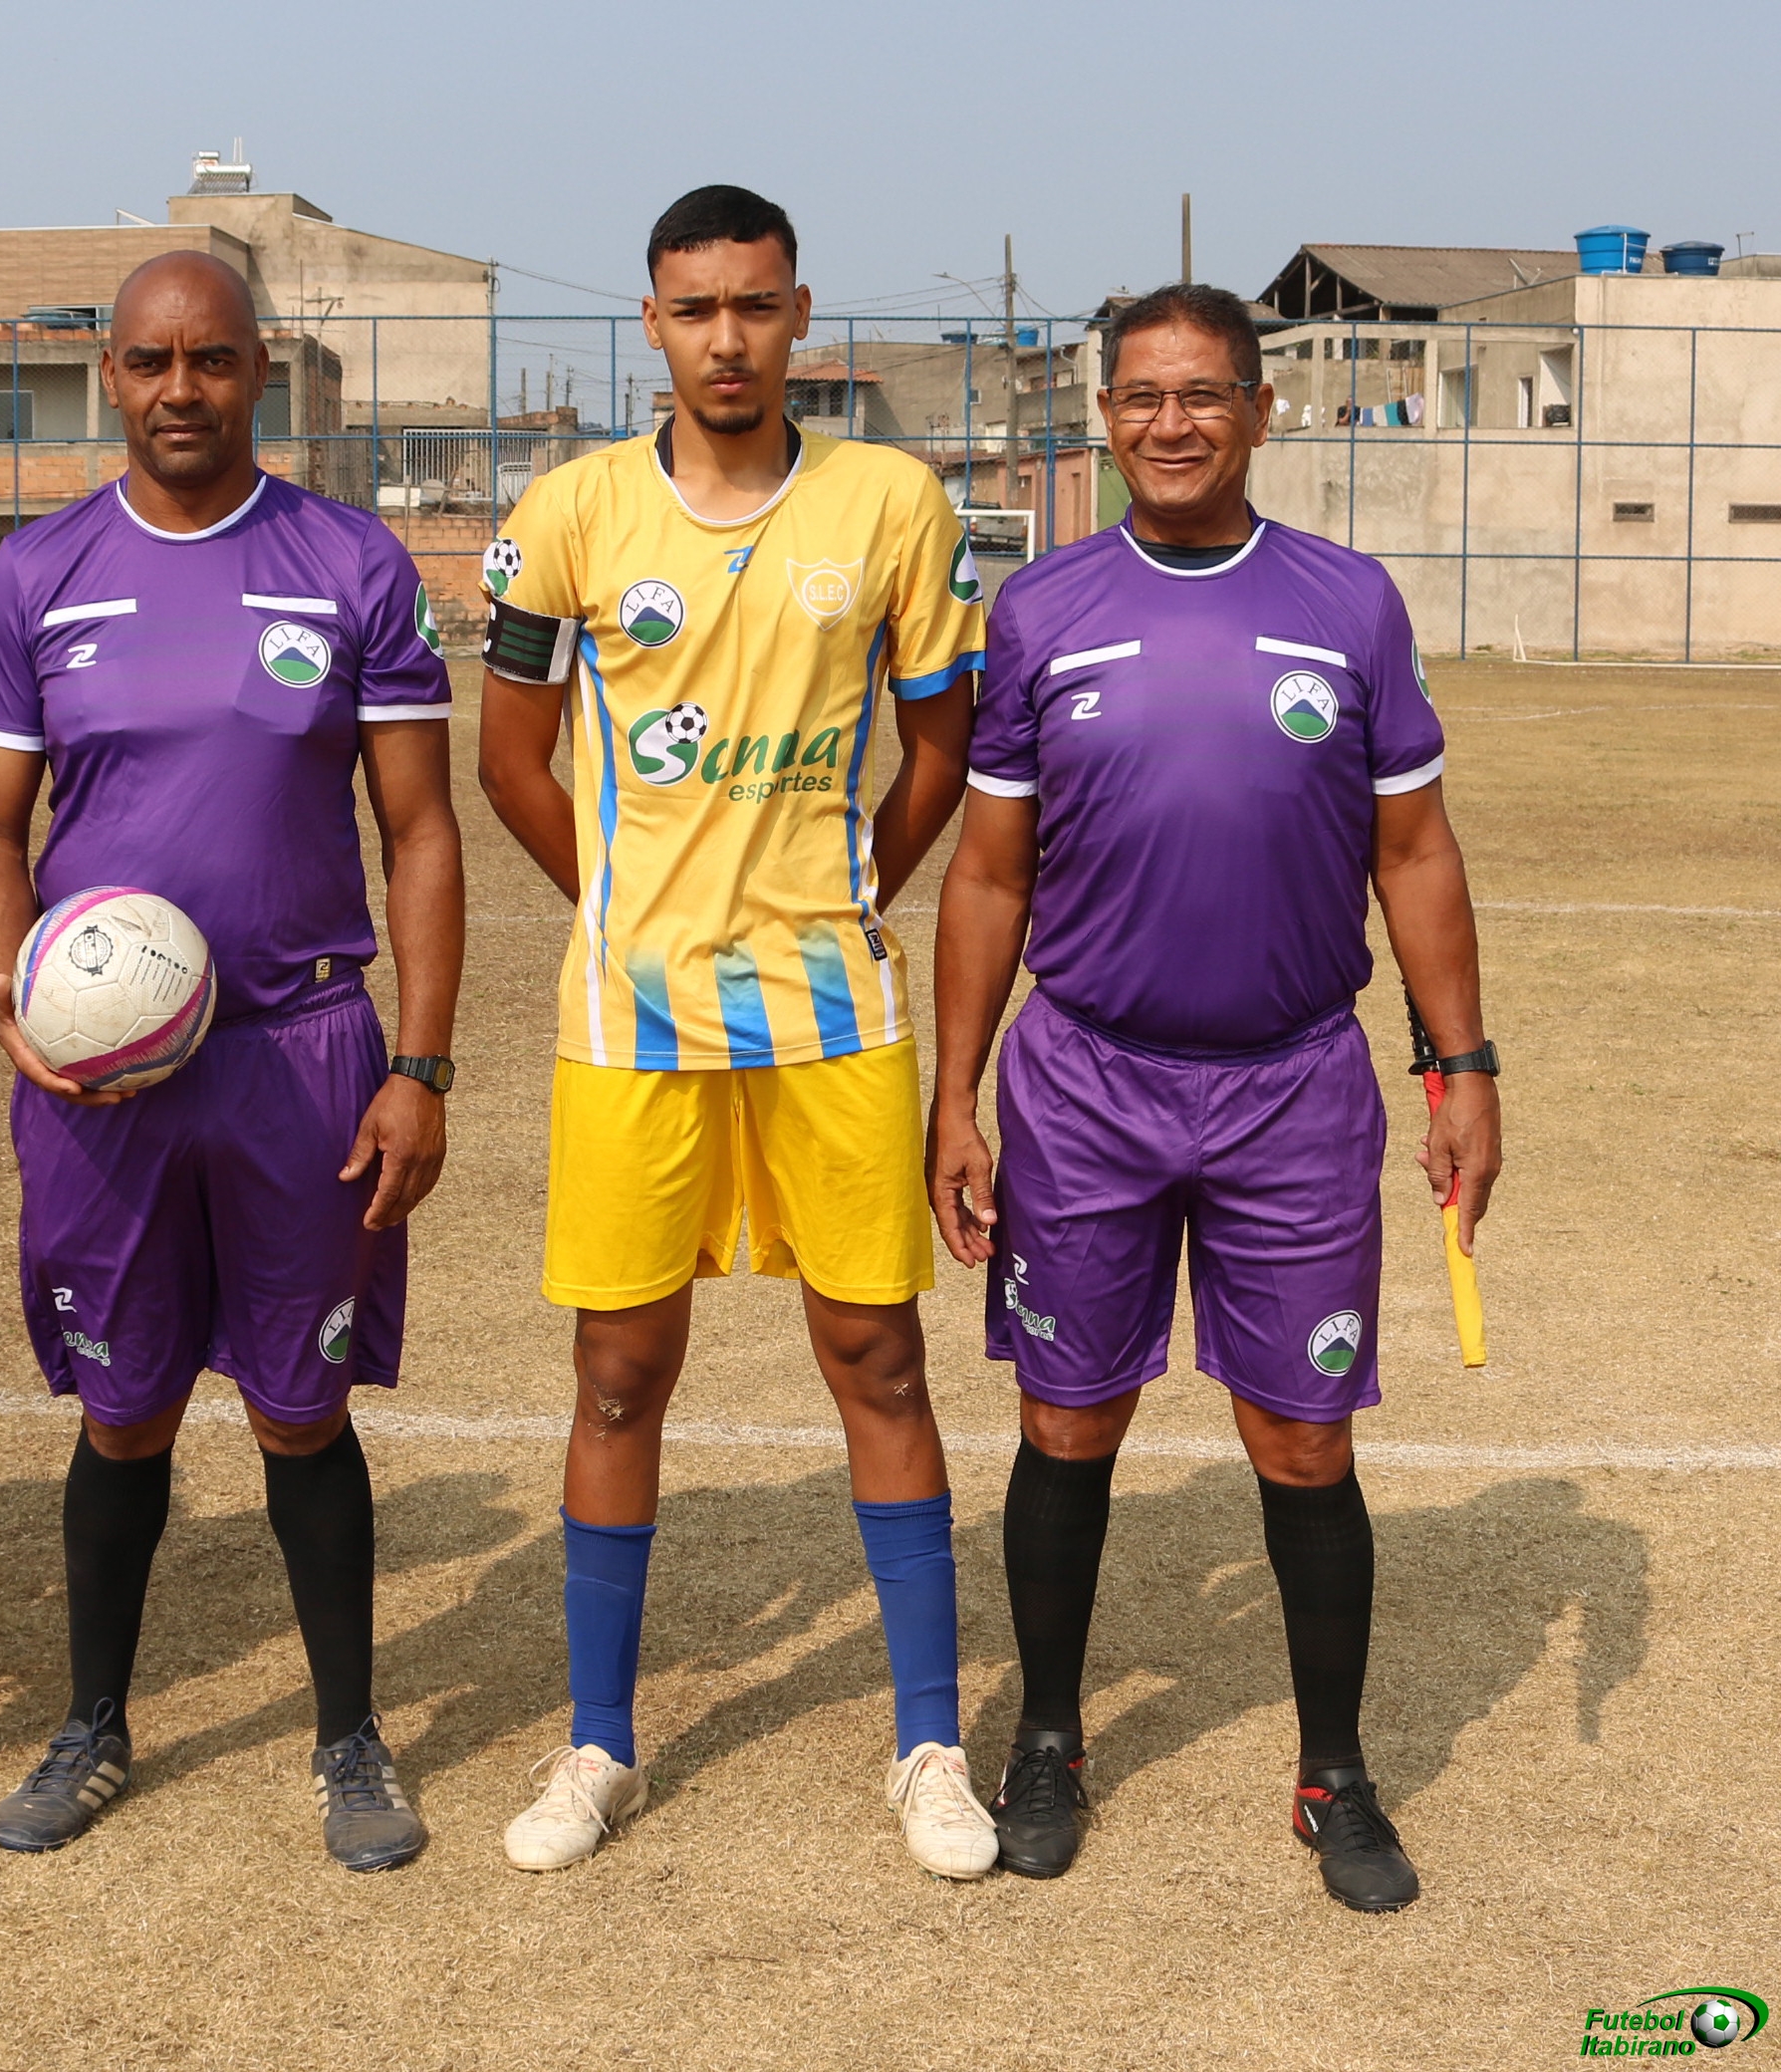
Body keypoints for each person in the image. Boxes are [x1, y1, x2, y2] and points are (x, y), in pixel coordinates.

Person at [929, 282, 1496, 1914]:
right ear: (1104, 416)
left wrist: (1463, 1065)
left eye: (1201, 395)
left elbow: (1413, 849)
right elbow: (988, 876)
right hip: (1086, 1083)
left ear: (1259, 410)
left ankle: (1335, 1774)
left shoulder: (1348, 602)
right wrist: (955, 1097)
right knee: (1067, 1419)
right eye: (1141, 397)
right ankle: (1051, 1742)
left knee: (1303, 1437)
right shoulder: (1041, 609)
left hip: (1293, 1087)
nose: (1170, 423)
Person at [475, 186, 996, 1878]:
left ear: (798, 317)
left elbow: (942, 747)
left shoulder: (893, 502)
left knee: (879, 1357)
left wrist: (851, 890)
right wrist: (618, 909)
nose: (726, 338)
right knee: (620, 1375)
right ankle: (599, 1745)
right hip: (630, 1022)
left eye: (755, 306)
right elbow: (509, 759)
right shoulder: (569, 512)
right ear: (652, 323)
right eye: (695, 309)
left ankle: (930, 1745)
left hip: (833, 1009)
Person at [0, 251, 465, 1873]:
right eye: (152, 360)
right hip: (103, 1084)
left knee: (302, 1414)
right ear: (111, 374)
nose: (183, 389)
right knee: (123, 1412)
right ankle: (93, 1726)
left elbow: (421, 830)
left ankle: (348, 1738)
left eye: (215, 359)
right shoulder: (40, 573)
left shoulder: (350, 562)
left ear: (261, 370)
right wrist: (8, 998)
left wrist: (422, 1066)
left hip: (302, 1055)